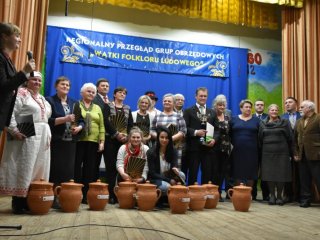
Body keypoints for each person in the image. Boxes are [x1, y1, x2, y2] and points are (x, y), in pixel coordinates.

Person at [0, 71, 52, 214]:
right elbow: (10, 113)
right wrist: (14, 130)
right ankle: (18, 202)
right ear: (27, 81)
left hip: (41, 137)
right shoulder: (21, 93)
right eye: (34, 80)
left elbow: (46, 116)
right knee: (24, 166)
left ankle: (32, 199)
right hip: (25, 135)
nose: (37, 83)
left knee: (38, 167)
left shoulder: (41, 98)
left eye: (39, 81)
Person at [46, 76, 84, 208]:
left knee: (68, 171)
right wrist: (65, 119)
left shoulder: (74, 103)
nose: (66, 87)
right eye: (63, 84)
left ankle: (65, 197)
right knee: (56, 170)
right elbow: (47, 121)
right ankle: (53, 198)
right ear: (56, 86)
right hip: (57, 141)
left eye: (68, 85)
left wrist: (79, 127)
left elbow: (81, 120)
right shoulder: (49, 100)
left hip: (71, 142)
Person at [0, 22, 35, 132]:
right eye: (17, 36)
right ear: (5, 36)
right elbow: (4, 87)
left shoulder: (8, 60)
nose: (20, 40)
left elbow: (12, 84)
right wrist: (24, 71)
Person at [74, 83, 105, 204]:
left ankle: (86, 195)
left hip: (93, 142)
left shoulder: (97, 108)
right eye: (88, 91)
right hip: (79, 141)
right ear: (82, 93)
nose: (91, 94)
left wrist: (102, 142)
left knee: (90, 169)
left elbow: (102, 126)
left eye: (93, 92)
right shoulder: (76, 104)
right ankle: (76, 194)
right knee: (76, 168)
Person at [259, 104, 293, 206]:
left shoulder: (285, 122)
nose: (274, 111)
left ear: (278, 111)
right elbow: (260, 138)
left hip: (282, 152)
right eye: (272, 110)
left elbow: (290, 137)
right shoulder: (262, 123)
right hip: (267, 153)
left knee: (281, 175)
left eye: (276, 110)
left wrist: (292, 153)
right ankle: (272, 196)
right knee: (269, 175)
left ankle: (279, 196)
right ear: (268, 111)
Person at [104, 87, 133, 204]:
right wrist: (116, 134)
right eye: (120, 92)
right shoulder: (108, 106)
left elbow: (130, 124)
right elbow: (106, 121)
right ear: (114, 94)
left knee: (122, 168)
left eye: (124, 93)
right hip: (110, 140)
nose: (122, 94)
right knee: (110, 168)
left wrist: (127, 136)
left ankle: (121, 195)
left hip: (123, 142)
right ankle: (111, 195)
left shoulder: (127, 108)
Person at [183, 87, 217, 185]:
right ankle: (192, 195)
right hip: (194, 148)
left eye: (205, 96)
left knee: (207, 173)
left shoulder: (212, 112)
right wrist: (196, 132)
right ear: (196, 96)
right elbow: (184, 128)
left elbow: (217, 130)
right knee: (193, 173)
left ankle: (204, 196)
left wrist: (213, 139)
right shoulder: (188, 111)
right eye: (201, 96)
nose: (203, 98)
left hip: (208, 148)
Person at [147, 126, 185, 206]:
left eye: (167, 138)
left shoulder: (174, 151)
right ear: (158, 138)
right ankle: (162, 199)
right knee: (166, 186)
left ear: (170, 139)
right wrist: (169, 180)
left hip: (169, 177)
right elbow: (152, 173)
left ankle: (172, 199)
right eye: (162, 137)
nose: (164, 140)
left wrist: (176, 171)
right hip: (156, 178)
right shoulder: (151, 152)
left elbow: (174, 167)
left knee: (182, 175)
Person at [294, 100, 320, 208]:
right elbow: (295, 138)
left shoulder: (318, 118)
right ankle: (305, 200)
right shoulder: (299, 121)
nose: (299, 109)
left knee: (318, 178)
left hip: (316, 154)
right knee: (304, 179)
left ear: (309, 108)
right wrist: (296, 152)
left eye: (302, 107)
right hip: (302, 155)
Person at [151, 93, 187, 170]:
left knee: (174, 170)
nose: (166, 102)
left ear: (173, 103)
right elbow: (152, 130)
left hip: (175, 148)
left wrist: (170, 139)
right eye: (165, 101)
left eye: (169, 101)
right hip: (159, 148)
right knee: (159, 168)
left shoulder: (178, 116)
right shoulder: (157, 116)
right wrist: (160, 138)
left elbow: (183, 131)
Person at [230, 99, 260, 187]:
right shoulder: (233, 119)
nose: (248, 109)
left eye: (250, 107)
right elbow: (229, 134)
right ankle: (238, 194)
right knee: (237, 172)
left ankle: (248, 194)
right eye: (246, 107)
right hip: (237, 151)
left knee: (251, 172)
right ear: (241, 108)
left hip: (252, 152)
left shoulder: (257, 120)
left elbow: (261, 135)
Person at [211, 94, 232, 201]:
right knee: (214, 171)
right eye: (219, 105)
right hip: (213, 147)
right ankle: (215, 192)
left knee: (223, 171)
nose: (222, 107)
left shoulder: (228, 116)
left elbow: (230, 132)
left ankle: (219, 192)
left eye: (223, 105)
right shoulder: (211, 115)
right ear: (215, 105)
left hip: (225, 148)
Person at [281, 96, 301, 203]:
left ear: (296, 104)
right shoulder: (281, 117)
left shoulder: (301, 116)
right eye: (286, 103)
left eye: (290, 102)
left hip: (300, 149)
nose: (287, 104)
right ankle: (287, 195)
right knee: (286, 173)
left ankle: (299, 196)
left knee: (300, 173)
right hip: (286, 150)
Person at [252, 99, 269, 201]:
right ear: (254, 106)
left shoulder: (269, 117)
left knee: (265, 172)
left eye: (261, 105)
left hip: (265, 149)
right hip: (253, 149)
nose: (259, 106)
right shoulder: (251, 117)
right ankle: (253, 194)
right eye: (257, 105)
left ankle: (266, 195)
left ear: (264, 106)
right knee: (253, 172)